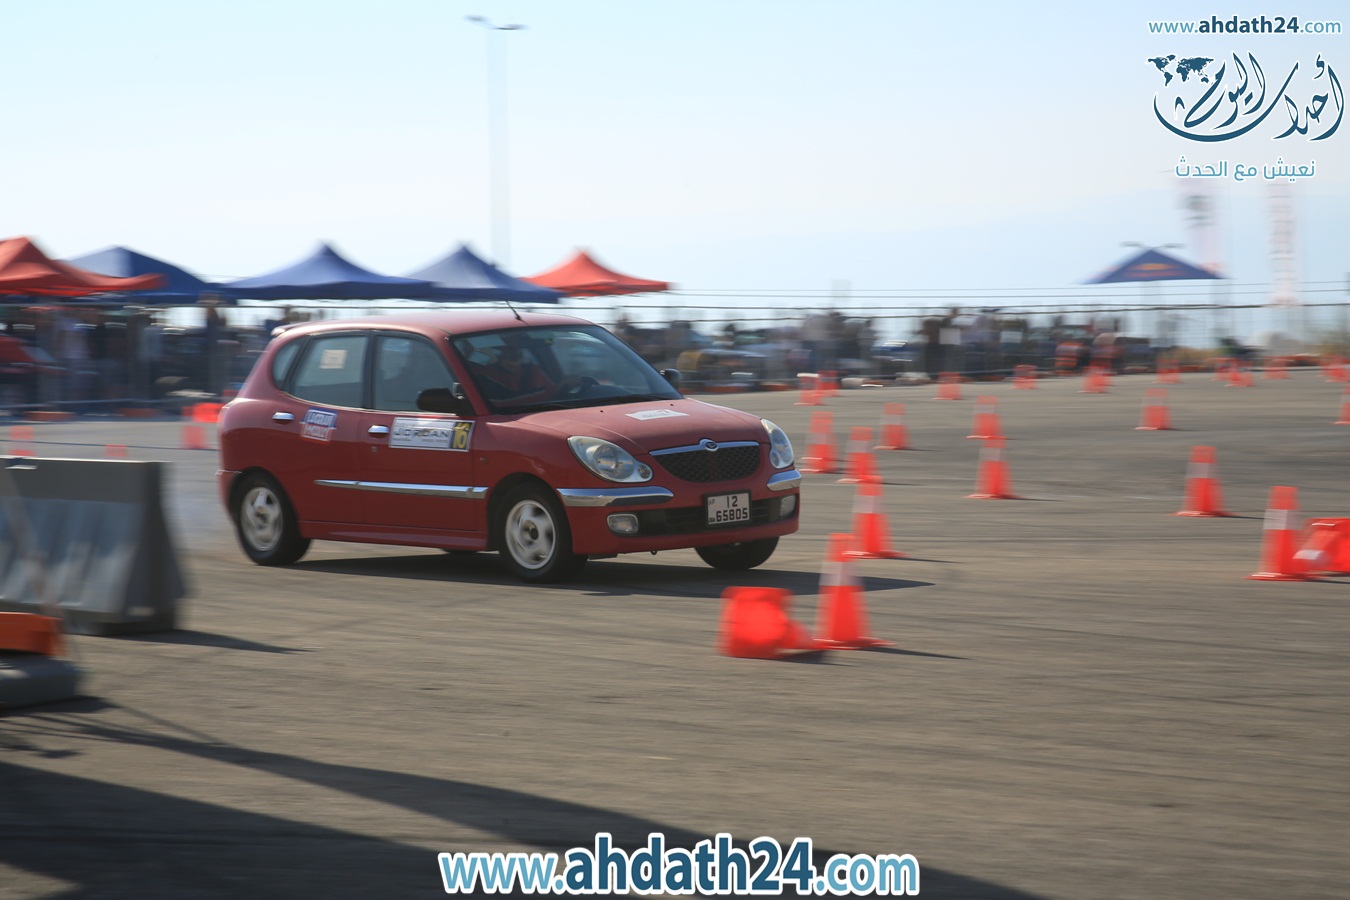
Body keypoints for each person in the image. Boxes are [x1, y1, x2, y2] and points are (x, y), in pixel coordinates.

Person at [475, 345, 582, 405]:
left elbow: (553, 395)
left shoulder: (533, 371)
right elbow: (503, 403)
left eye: (517, 353)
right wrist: (557, 387)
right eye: (508, 352)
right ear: (497, 355)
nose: (513, 356)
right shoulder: (485, 375)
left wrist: (565, 385)